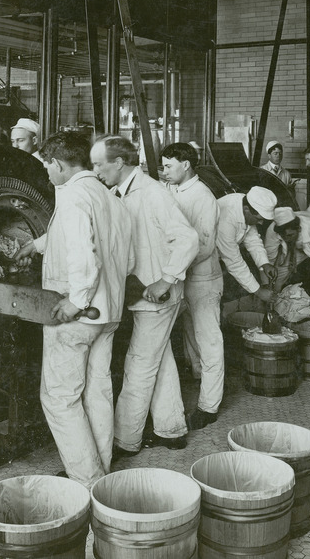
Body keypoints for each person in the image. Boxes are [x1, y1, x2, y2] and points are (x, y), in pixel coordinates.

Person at [15, 131, 133, 488]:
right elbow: (123, 255)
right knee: (96, 391)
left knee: (59, 398)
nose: (47, 174)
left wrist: (76, 300)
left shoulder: (71, 197)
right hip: (108, 312)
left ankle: (86, 481)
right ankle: (101, 468)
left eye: (47, 166)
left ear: (57, 164)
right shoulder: (107, 194)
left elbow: (84, 253)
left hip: (79, 315)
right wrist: (36, 245)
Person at [90, 136, 198, 457]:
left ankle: (126, 440)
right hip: (140, 292)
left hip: (158, 296)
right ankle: (171, 430)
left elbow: (188, 238)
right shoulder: (119, 192)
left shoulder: (152, 194)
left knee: (138, 364)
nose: (96, 171)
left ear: (120, 163)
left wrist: (166, 280)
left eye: (100, 164)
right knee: (157, 360)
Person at [161, 142, 224, 431]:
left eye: (169, 166)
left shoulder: (203, 196)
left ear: (186, 165)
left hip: (202, 279)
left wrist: (171, 266)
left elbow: (205, 245)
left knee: (209, 341)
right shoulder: (173, 189)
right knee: (190, 336)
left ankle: (209, 406)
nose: (165, 171)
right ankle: (200, 379)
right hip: (180, 276)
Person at [216, 186, 278, 303]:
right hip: (201, 259)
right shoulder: (226, 219)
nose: (261, 222)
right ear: (246, 209)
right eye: (258, 219)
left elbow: (252, 239)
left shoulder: (247, 203)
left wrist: (264, 263)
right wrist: (258, 291)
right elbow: (234, 262)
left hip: (221, 255)